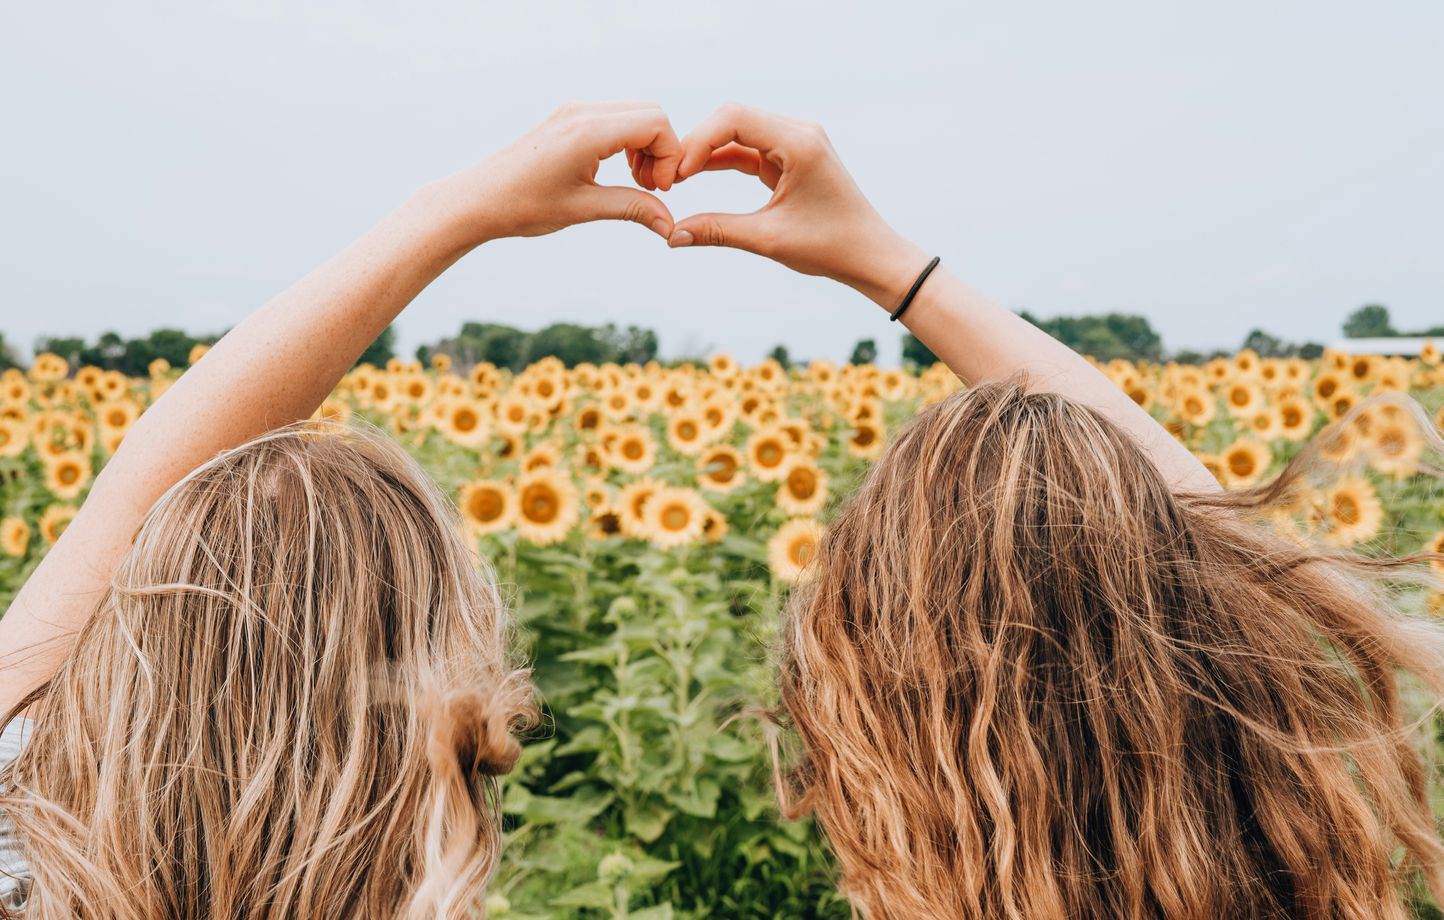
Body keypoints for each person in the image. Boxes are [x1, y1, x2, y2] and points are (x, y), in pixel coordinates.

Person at [658, 104, 1444, 918]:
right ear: (1214, 668)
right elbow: (1211, 541)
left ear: (890, 736)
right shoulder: (1282, 886)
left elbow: (1210, 540)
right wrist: (887, 261)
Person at [0, 100, 691, 919]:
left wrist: (449, 211)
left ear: (124, 669)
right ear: (433, 734)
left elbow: (122, 512)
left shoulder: (24, 844)